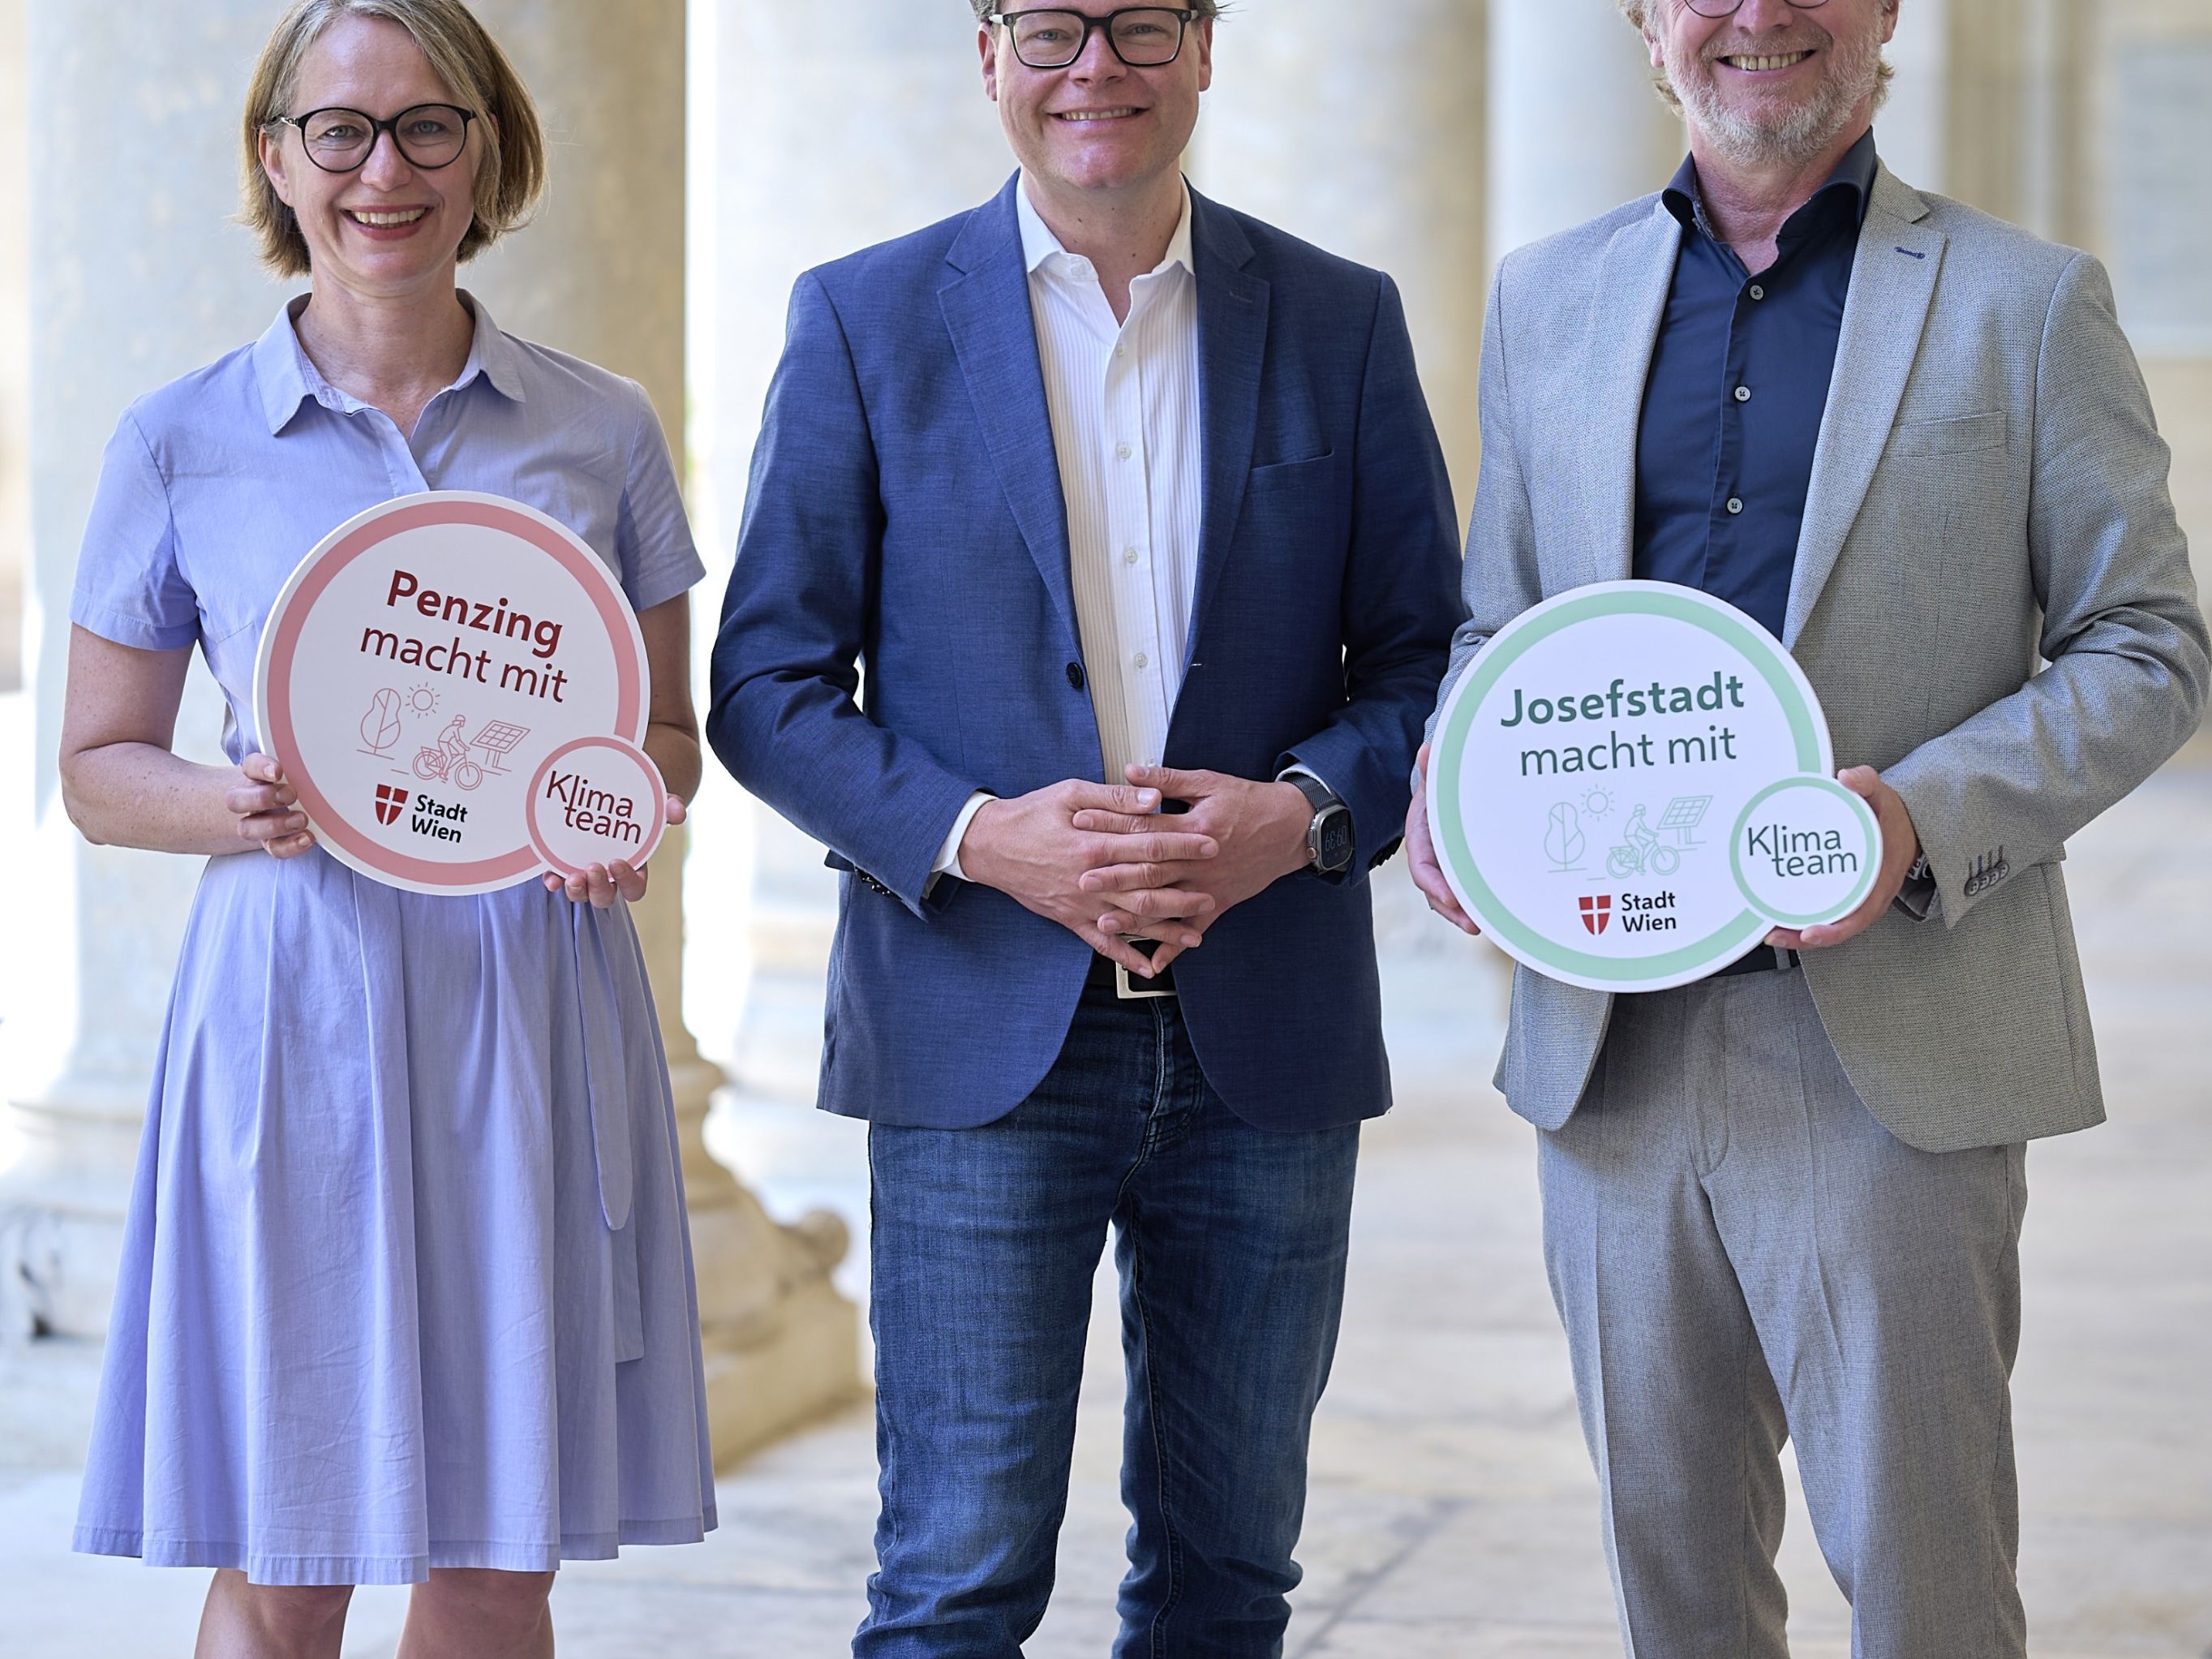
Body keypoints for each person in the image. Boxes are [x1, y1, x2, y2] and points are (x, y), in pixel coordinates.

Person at [1407, 1, 2208, 1653]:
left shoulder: (2021, 301)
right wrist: (1455, 783)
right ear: (1643, 24)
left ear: (1884, 13)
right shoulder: (1542, 299)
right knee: (1673, 1589)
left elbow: (2147, 646)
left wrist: (1910, 822)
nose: (1757, 14)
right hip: (1609, 1055)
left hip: (1882, 1053)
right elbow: (1501, 627)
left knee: (1924, 1595)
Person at [708, 5, 1462, 1652]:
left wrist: (1304, 812)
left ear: (1202, 48)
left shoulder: (1335, 317)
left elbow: (1425, 659)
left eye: (1136, 23)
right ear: (986, 53)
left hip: (1261, 1031)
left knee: (1227, 1580)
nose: (1091, 67)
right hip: (979, 1033)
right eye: (1049, 25)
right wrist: (983, 835)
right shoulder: (865, 318)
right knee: (955, 1582)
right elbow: (764, 685)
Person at [62, 2, 716, 1653]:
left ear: (488, 149)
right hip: (299, 1021)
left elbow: (662, 736)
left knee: (498, 1550)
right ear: (276, 158)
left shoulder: (602, 428)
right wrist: (240, 800)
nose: (384, 168)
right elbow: (96, 768)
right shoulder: (179, 439)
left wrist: (611, 811)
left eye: (430, 124)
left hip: (530, 1008)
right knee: (289, 1542)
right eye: (339, 130)